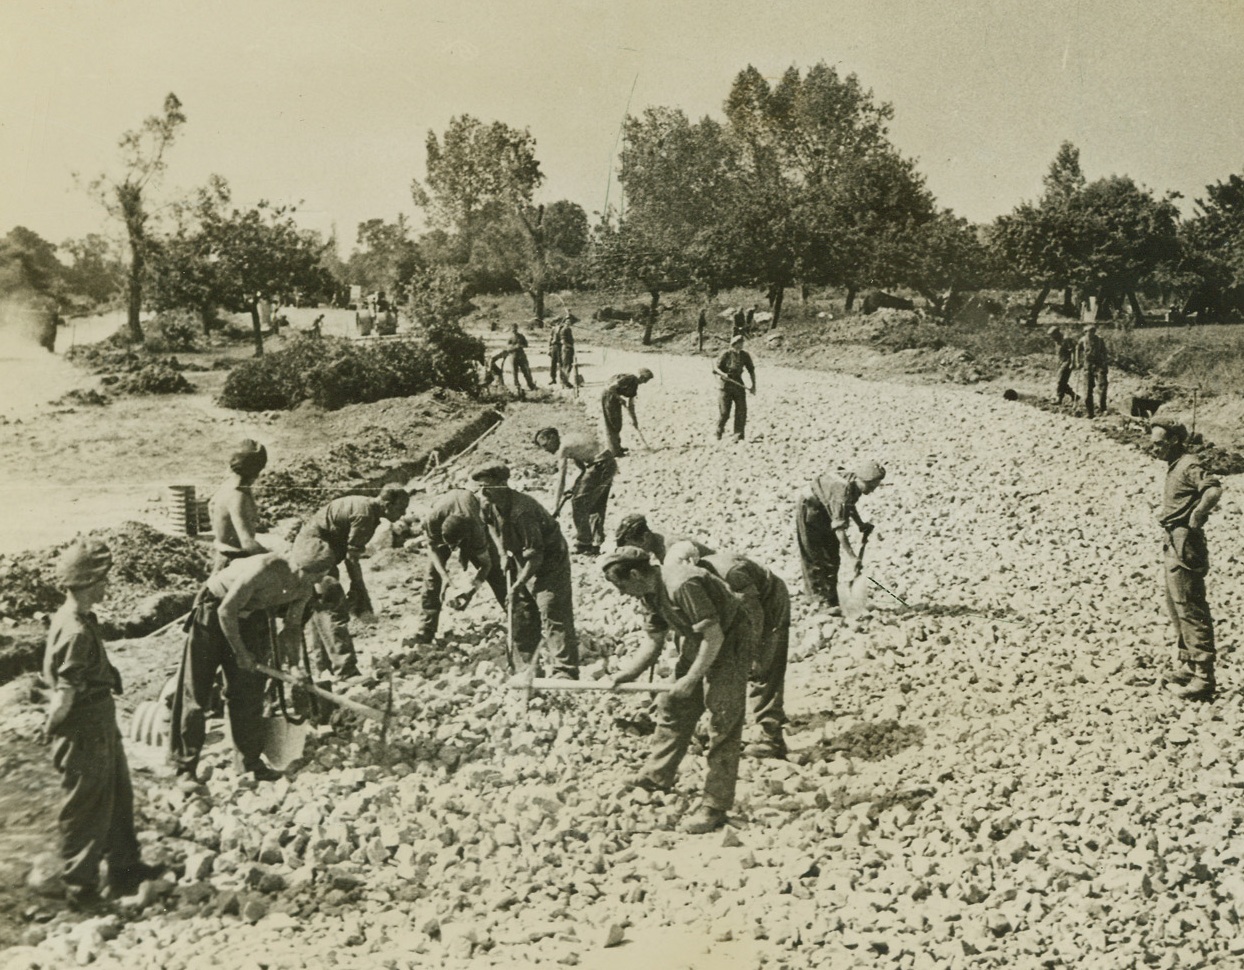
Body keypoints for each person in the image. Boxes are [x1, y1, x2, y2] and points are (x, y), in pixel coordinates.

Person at [38, 539, 161, 908]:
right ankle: (80, 888)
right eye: (104, 579)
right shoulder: (75, 631)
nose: (108, 585)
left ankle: (125, 868)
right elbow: (64, 695)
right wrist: (50, 727)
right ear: (90, 581)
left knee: (118, 794)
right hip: (84, 726)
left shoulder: (77, 619)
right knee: (87, 805)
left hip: (99, 720)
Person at [601, 547, 750, 835]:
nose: (620, 593)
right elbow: (653, 641)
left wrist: (692, 678)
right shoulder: (648, 592)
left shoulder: (682, 584)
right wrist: (628, 674)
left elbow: (715, 635)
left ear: (634, 574)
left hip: (731, 639)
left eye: (620, 585)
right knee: (672, 704)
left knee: (722, 718)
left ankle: (715, 805)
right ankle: (658, 775)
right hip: (699, 641)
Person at [168, 538, 334, 782]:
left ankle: (249, 765)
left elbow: (291, 628)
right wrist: (240, 652)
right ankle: (184, 769)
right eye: (309, 574)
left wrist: (295, 666)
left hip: (250, 617)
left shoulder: (306, 588)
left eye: (319, 575)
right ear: (296, 565)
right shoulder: (265, 569)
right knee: (196, 692)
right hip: (213, 611)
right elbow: (227, 611)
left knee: (248, 692)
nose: (313, 581)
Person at [473, 462, 578, 679]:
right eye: (479, 487)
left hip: (551, 559)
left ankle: (564, 670)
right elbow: (490, 525)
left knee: (550, 608)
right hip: (522, 555)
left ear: (503, 484)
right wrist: (502, 553)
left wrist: (518, 584)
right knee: (520, 608)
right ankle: (527, 667)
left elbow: (537, 556)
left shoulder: (523, 511)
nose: (482, 492)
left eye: (488, 486)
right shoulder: (488, 503)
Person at [298, 484, 410, 680]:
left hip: (312, 549)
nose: (403, 514)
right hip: (316, 552)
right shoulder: (366, 516)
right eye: (400, 508)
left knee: (321, 606)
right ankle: (346, 670)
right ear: (387, 504)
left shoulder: (365, 508)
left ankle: (323, 667)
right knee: (333, 602)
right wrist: (360, 592)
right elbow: (352, 560)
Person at [692, 550, 790, 760]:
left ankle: (771, 737)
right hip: (738, 607)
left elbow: (754, 612)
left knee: (764, 667)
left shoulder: (730, 573)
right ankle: (715, 727)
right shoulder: (687, 582)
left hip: (769, 601)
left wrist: (753, 652)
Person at [1151, 419, 1224, 701]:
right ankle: (1189, 664)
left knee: (1190, 606)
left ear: (1173, 442)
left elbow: (1213, 489)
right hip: (1173, 539)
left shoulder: (1189, 463)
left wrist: (1197, 516)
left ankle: (1204, 677)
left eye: (1158, 443)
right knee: (1174, 603)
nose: (1153, 447)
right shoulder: (1176, 464)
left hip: (1185, 542)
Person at [412, 487, 515, 646]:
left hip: (469, 523)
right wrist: (445, 578)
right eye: (450, 546)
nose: (454, 551)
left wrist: (471, 591)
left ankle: (518, 620)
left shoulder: (476, 529)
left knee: (496, 573)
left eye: (457, 547)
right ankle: (426, 630)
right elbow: (432, 549)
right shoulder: (432, 520)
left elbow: (486, 565)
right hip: (445, 520)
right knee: (433, 577)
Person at [796, 460, 885, 615]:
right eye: (870, 487)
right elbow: (840, 530)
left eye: (874, 487)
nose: (872, 490)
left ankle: (830, 598)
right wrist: (852, 557)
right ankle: (817, 600)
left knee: (832, 557)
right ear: (861, 480)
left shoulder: (854, 485)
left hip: (826, 509)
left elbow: (849, 506)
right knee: (814, 556)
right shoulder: (841, 492)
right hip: (809, 508)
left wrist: (860, 524)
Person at [534, 426, 617, 556]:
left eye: (545, 445)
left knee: (579, 503)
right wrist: (575, 487)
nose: (545, 450)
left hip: (600, 465)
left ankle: (584, 543)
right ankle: (596, 543)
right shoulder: (570, 442)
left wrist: (556, 505)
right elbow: (584, 470)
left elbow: (561, 478)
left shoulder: (564, 448)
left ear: (552, 438)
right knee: (595, 505)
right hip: (609, 463)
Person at [208, 439, 269, 573]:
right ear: (256, 471)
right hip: (235, 563)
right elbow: (247, 543)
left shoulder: (228, 485)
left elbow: (211, 506)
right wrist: (276, 558)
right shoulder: (238, 496)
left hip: (224, 555)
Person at [614, 513, 714, 564]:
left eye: (634, 548)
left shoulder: (673, 551)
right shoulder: (657, 538)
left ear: (645, 537)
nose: (634, 553)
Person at [600, 368, 654, 457]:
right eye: (645, 379)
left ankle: (617, 446)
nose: (645, 382)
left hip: (615, 398)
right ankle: (614, 451)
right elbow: (610, 388)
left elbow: (631, 405)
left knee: (618, 423)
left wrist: (634, 420)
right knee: (611, 422)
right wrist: (620, 398)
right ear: (641, 376)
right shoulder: (629, 378)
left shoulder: (635, 385)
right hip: (608, 397)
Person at [714, 335, 756, 441]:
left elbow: (751, 370)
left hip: (738, 384)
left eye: (742, 343)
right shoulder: (725, 354)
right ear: (734, 344)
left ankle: (738, 434)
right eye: (739, 343)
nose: (741, 345)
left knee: (741, 410)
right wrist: (724, 374)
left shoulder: (745, 355)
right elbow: (716, 369)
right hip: (725, 386)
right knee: (724, 413)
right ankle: (718, 431)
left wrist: (753, 385)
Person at [1078, 323, 1109, 417]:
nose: (1090, 333)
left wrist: (1105, 364)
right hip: (1088, 366)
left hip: (1099, 365)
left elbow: (1104, 352)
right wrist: (1077, 361)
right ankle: (1090, 413)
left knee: (1103, 386)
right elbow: (1077, 349)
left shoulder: (1099, 340)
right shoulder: (1082, 340)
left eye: (1092, 331)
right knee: (1087, 391)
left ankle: (1103, 408)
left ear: (1094, 332)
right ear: (1084, 332)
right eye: (1087, 331)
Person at [1047, 327, 1079, 406]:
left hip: (1067, 362)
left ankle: (1059, 398)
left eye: (1052, 335)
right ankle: (1074, 395)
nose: (1051, 338)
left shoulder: (1066, 340)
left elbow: (1072, 351)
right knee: (1062, 381)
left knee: (1060, 380)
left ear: (1057, 333)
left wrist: (1073, 362)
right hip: (1060, 362)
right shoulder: (1056, 341)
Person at [507, 323, 537, 393]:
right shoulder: (510, 338)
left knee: (526, 371)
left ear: (517, 328)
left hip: (521, 355)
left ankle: (531, 385)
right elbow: (507, 348)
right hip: (513, 356)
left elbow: (526, 345)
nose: (514, 330)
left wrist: (521, 345)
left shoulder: (521, 336)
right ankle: (517, 386)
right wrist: (515, 347)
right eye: (512, 329)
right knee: (515, 372)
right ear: (511, 329)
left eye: (515, 328)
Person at [557, 317, 577, 388]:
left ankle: (566, 381)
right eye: (567, 322)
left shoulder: (569, 329)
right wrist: (570, 346)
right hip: (566, 349)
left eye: (570, 323)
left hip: (570, 349)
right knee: (566, 366)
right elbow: (563, 341)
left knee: (569, 366)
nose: (568, 324)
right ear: (564, 323)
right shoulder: (563, 330)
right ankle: (564, 382)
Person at [547, 318, 564, 386]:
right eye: (556, 322)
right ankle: (553, 379)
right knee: (553, 364)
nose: (558, 323)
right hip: (554, 347)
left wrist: (557, 341)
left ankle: (562, 379)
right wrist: (549, 349)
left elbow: (564, 340)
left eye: (559, 321)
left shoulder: (563, 329)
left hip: (560, 347)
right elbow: (550, 339)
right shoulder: (553, 329)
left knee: (561, 363)